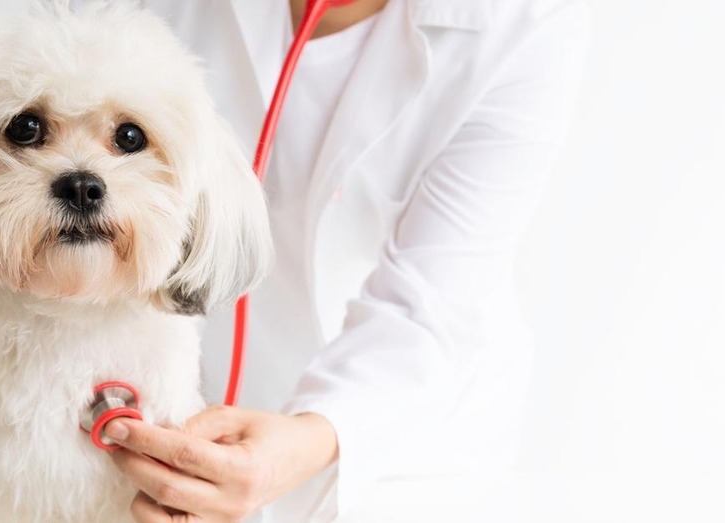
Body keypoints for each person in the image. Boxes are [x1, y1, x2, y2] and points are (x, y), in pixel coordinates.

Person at [83, 0, 589, 520]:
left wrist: (315, 433)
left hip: (405, 446)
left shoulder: (522, 22)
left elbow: (431, 302)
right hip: (166, 417)